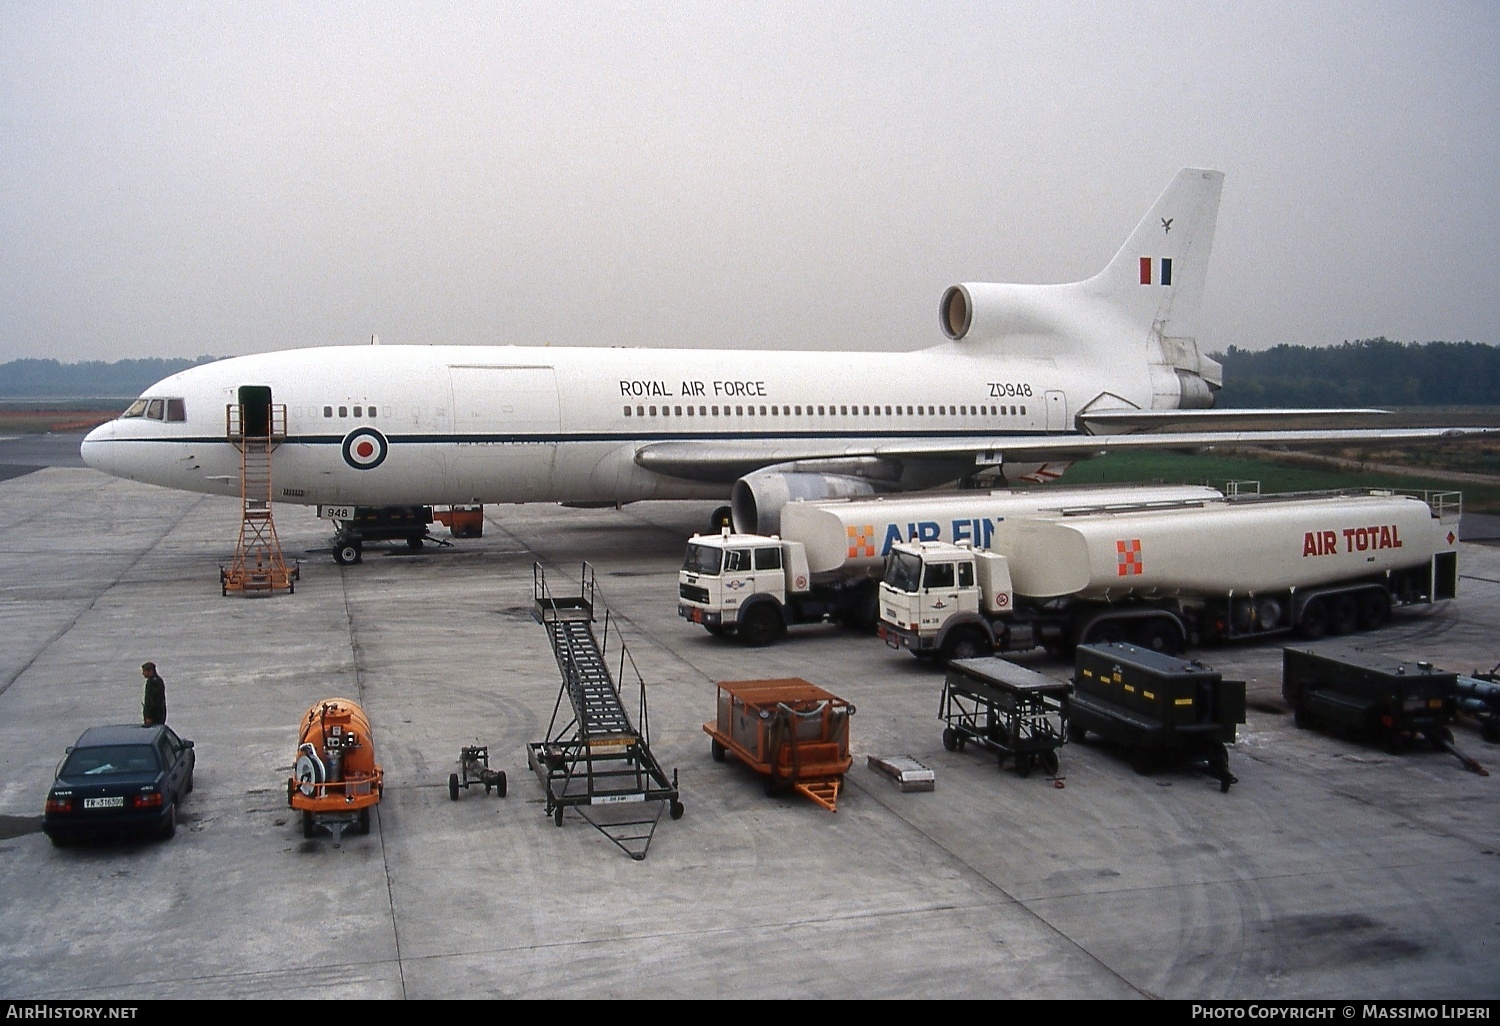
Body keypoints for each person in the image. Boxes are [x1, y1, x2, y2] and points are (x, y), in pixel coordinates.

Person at [141, 662, 166, 726]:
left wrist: (149, 716)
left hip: (155, 716)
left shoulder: (154, 682)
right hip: (158, 714)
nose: (143, 673)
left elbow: (152, 700)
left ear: (150, 671)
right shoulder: (154, 681)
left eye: (144, 671)